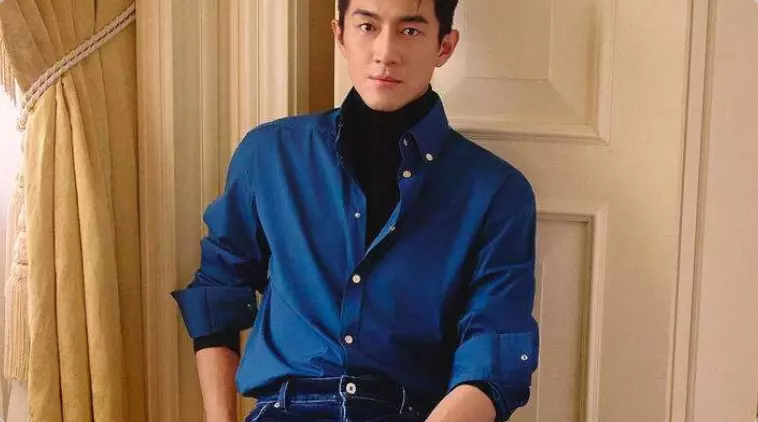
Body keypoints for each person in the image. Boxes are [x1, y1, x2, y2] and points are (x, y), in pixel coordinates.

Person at [171, 0, 539, 421]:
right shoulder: (269, 155)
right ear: (340, 35)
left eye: (410, 31)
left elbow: (495, 354)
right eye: (367, 27)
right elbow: (218, 293)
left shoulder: (496, 191)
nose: (385, 52)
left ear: (445, 46)